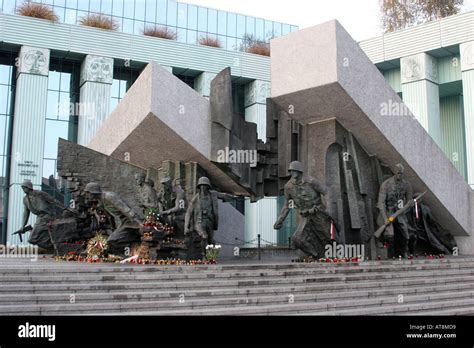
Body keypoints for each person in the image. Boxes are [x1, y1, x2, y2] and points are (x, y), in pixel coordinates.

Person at [273, 161, 335, 258]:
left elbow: (326, 192)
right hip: (305, 216)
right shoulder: (288, 187)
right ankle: (317, 256)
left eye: (294, 170)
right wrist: (280, 220)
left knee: (328, 236)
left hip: (318, 213)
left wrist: (329, 210)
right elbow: (287, 205)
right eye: (291, 171)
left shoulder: (311, 181)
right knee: (297, 239)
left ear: (300, 171)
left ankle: (338, 254)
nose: (292, 173)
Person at [83, 182, 142, 255]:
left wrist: (139, 222)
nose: (87, 196)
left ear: (93, 192)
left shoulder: (109, 197)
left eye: (88, 193)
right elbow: (110, 216)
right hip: (125, 221)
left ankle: (135, 244)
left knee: (113, 239)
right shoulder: (101, 201)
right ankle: (121, 254)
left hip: (132, 219)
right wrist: (113, 228)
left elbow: (125, 209)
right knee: (112, 240)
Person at [377, 163, 414, 258]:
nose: (399, 175)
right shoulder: (386, 184)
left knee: (406, 234)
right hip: (388, 212)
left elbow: (409, 201)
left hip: (400, 213)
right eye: (398, 173)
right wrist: (385, 218)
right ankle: (390, 254)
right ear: (394, 172)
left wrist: (409, 205)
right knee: (390, 234)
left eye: (401, 173)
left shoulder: (407, 185)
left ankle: (404, 252)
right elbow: (381, 203)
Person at [20, 180, 64, 249]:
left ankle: (55, 245)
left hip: (49, 216)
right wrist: (23, 226)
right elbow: (26, 213)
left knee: (52, 234)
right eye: (22, 188)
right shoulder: (25, 199)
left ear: (29, 187)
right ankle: (52, 246)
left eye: (24, 187)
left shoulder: (40, 193)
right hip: (40, 218)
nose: (23, 189)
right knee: (32, 240)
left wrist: (64, 208)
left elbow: (53, 200)